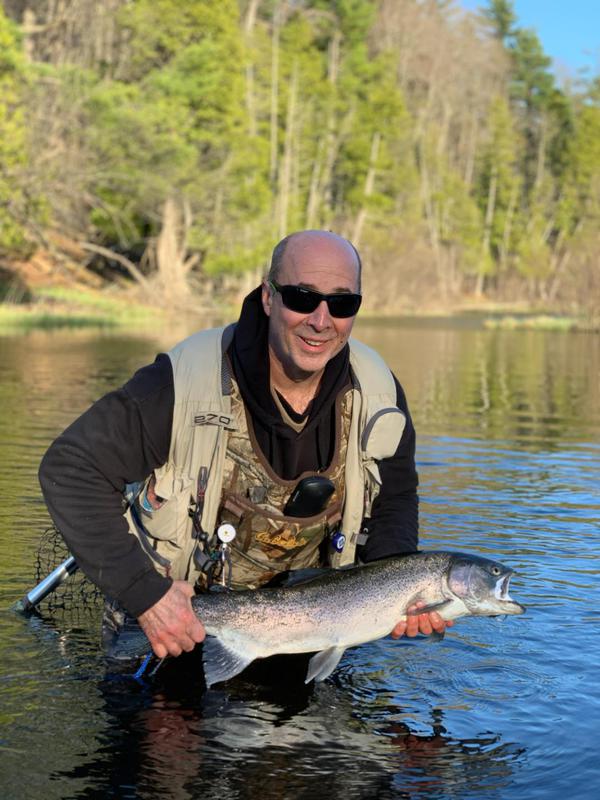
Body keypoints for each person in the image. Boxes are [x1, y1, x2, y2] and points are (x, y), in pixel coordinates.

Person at [39, 230, 450, 664]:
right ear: (269, 297)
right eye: (301, 297)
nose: (321, 320)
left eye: (342, 303)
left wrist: (401, 589)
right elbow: (71, 468)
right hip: (173, 623)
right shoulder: (184, 380)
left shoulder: (378, 391)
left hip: (307, 631)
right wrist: (146, 596)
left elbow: (396, 497)